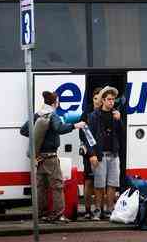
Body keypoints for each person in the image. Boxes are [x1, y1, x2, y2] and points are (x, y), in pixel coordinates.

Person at [20, 91, 85, 223]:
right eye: (58, 101)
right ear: (55, 102)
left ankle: (41, 214)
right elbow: (58, 128)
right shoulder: (52, 114)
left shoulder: (38, 114)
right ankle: (57, 215)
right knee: (57, 186)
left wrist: (39, 136)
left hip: (38, 158)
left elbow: (24, 130)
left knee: (41, 187)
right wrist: (74, 126)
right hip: (50, 157)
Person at [86, 86, 123, 221]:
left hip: (113, 154)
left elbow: (121, 134)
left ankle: (109, 210)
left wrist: (119, 121)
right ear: (103, 100)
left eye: (113, 99)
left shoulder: (116, 115)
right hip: (100, 154)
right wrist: (92, 154)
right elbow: (88, 137)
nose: (111, 102)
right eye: (109, 99)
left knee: (113, 183)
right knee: (99, 184)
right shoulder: (94, 116)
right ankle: (97, 210)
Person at [79, 87, 102, 219]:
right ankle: (87, 211)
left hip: (101, 151)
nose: (97, 101)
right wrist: (90, 152)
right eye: (95, 98)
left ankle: (99, 210)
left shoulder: (104, 112)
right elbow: (82, 134)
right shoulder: (86, 113)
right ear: (93, 98)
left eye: (100, 98)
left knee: (100, 182)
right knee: (88, 181)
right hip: (89, 152)